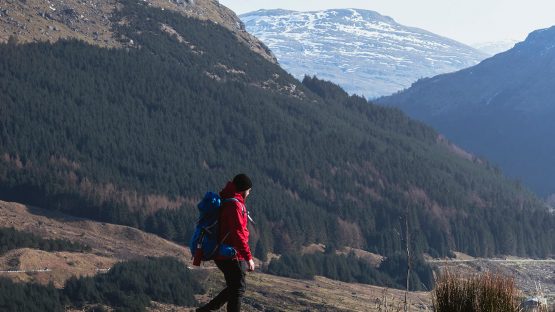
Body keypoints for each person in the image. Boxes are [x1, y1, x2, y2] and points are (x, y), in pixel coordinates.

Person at [197, 173, 255, 312]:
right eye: (249, 190)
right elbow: (238, 233)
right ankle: (207, 310)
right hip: (230, 254)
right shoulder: (234, 205)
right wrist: (248, 257)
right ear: (244, 189)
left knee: (234, 287)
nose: (249, 193)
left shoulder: (228, 199)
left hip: (224, 252)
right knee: (238, 289)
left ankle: (206, 310)